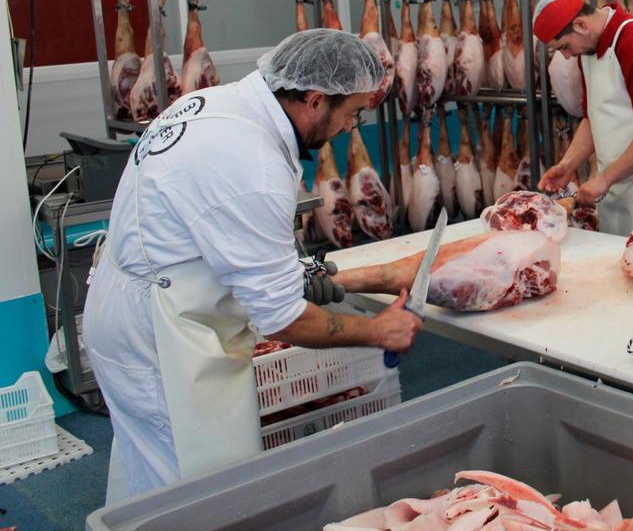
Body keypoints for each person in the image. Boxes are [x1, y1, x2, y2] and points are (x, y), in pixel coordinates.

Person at [82, 28, 424, 502]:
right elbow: (281, 319)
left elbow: (220, 241)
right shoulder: (252, 163)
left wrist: (326, 277)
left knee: (153, 468)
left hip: (136, 302)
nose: (352, 128)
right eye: (352, 113)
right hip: (158, 332)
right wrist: (378, 331)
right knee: (193, 486)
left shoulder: (219, 104)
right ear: (315, 100)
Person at [534, 0, 633, 236]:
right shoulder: (588, 49)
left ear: (581, 24)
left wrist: (605, 178)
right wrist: (568, 164)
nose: (566, 55)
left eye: (564, 47)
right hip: (613, 188)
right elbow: (593, 117)